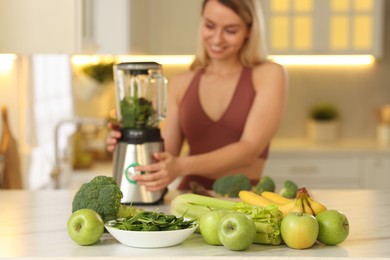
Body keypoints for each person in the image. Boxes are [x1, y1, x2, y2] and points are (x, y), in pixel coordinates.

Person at [106, 0, 287, 192]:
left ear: (249, 30)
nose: (217, 39)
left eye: (230, 30)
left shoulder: (269, 74)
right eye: (210, 26)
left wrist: (181, 166)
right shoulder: (180, 83)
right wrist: (129, 143)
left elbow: (250, 149)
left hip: (243, 200)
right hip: (189, 195)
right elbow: (164, 156)